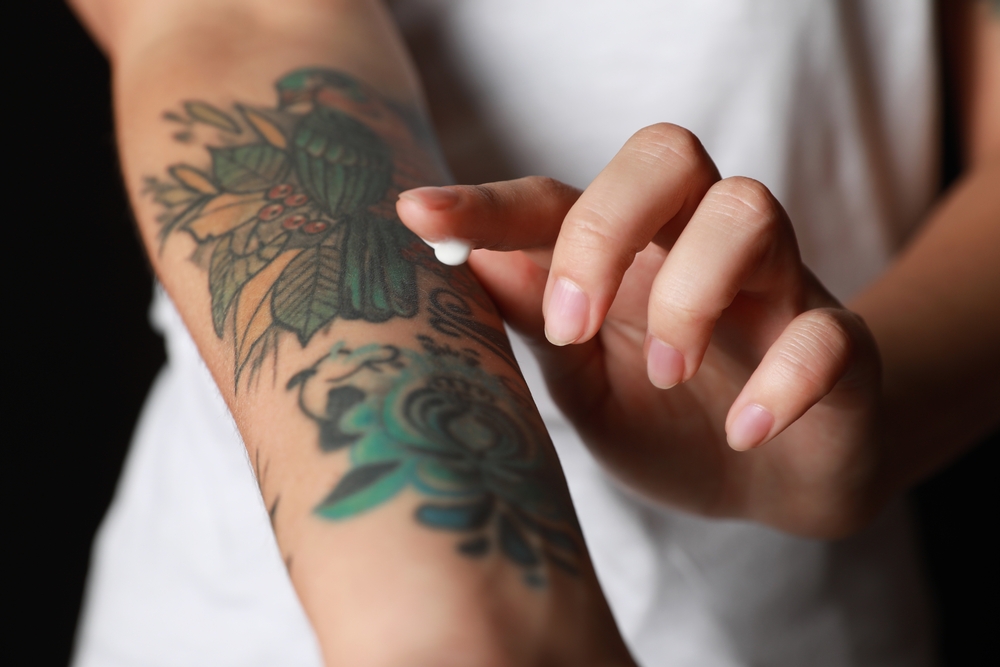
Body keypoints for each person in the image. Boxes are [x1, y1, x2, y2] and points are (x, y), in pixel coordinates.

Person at [69, 0, 999, 665]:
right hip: (286, 615)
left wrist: (871, 423)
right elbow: (240, 28)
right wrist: (472, 625)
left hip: (806, 613)